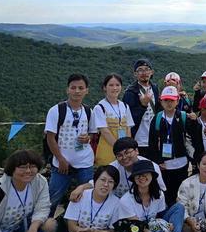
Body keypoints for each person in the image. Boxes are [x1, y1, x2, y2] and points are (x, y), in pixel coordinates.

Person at [45, 73, 104, 216]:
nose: (77, 91)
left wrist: (88, 138)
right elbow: (50, 138)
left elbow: (92, 133)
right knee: (52, 200)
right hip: (61, 164)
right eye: (73, 87)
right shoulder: (57, 110)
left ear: (86, 90)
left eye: (81, 88)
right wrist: (60, 159)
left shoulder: (88, 111)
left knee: (87, 197)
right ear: (67, 90)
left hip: (84, 162)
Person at [69, 137, 167, 201]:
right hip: (118, 206)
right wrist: (80, 188)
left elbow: (161, 191)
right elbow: (96, 183)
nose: (124, 157)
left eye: (127, 152)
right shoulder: (113, 167)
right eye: (119, 155)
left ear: (137, 151)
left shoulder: (151, 166)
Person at [118, 160, 186, 232]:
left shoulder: (159, 194)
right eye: (138, 175)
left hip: (154, 226)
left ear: (152, 175)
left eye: (145, 174)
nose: (142, 177)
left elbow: (159, 216)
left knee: (179, 207)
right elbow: (138, 229)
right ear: (134, 178)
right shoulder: (126, 200)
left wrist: (166, 226)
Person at [148, 86, 191, 206]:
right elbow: (151, 143)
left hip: (182, 163)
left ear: (177, 101)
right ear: (161, 101)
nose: (169, 103)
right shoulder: (157, 119)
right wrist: (157, 161)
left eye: (172, 100)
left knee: (181, 194)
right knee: (166, 194)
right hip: (164, 165)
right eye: (166, 100)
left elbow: (192, 139)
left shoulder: (183, 117)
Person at [64, 165, 120, 232]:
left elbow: (111, 231)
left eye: (110, 181)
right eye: (103, 180)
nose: (106, 184)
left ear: (114, 185)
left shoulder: (116, 203)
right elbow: (71, 227)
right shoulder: (80, 195)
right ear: (95, 181)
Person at [123, 59, 161, 158]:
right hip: (139, 141)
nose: (144, 73)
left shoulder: (155, 88)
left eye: (147, 69)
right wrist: (143, 105)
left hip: (154, 138)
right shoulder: (130, 92)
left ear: (151, 72)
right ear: (135, 74)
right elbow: (128, 119)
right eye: (140, 70)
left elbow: (158, 111)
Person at [94, 73, 134, 166]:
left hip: (125, 153)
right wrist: (120, 149)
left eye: (117, 85)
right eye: (111, 85)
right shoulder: (100, 107)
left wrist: (128, 147)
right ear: (104, 87)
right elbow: (105, 131)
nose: (115, 88)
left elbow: (128, 128)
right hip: (107, 152)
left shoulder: (124, 106)